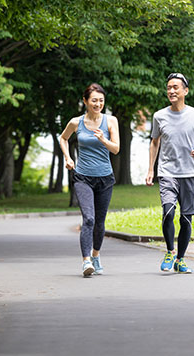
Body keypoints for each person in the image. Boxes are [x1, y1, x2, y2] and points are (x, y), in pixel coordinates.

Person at [145, 73, 194, 274]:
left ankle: (181, 259)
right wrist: (150, 170)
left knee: (186, 219)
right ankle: (170, 251)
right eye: (168, 88)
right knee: (168, 212)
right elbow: (155, 142)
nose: (171, 91)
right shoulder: (159, 116)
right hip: (167, 172)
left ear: (185, 91)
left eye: (175, 87)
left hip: (190, 173)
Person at [59, 83, 120, 277]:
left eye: (101, 100)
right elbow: (63, 138)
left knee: (100, 222)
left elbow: (116, 149)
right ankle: (86, 261)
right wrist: (68, 158)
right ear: (85, 101)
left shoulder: (111, 121)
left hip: (105, 178)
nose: (98, 104)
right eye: (94, 100)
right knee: (89, 218)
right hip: (83, 177)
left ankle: (95, 255)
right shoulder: (76, 122)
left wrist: (104, 140)